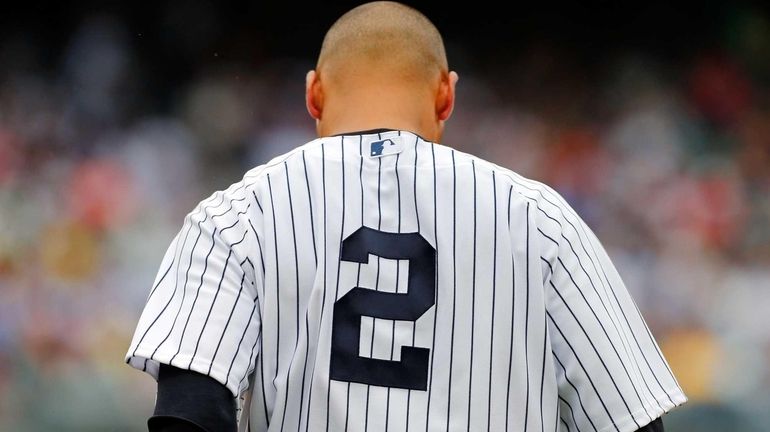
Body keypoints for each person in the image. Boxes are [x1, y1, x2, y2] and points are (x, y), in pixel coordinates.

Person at [125, 2, 686, 431]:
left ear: (314, 96)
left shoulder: (235, 216)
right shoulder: (541, 221)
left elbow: (190, 411)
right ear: (446, 97)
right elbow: (632, 422)